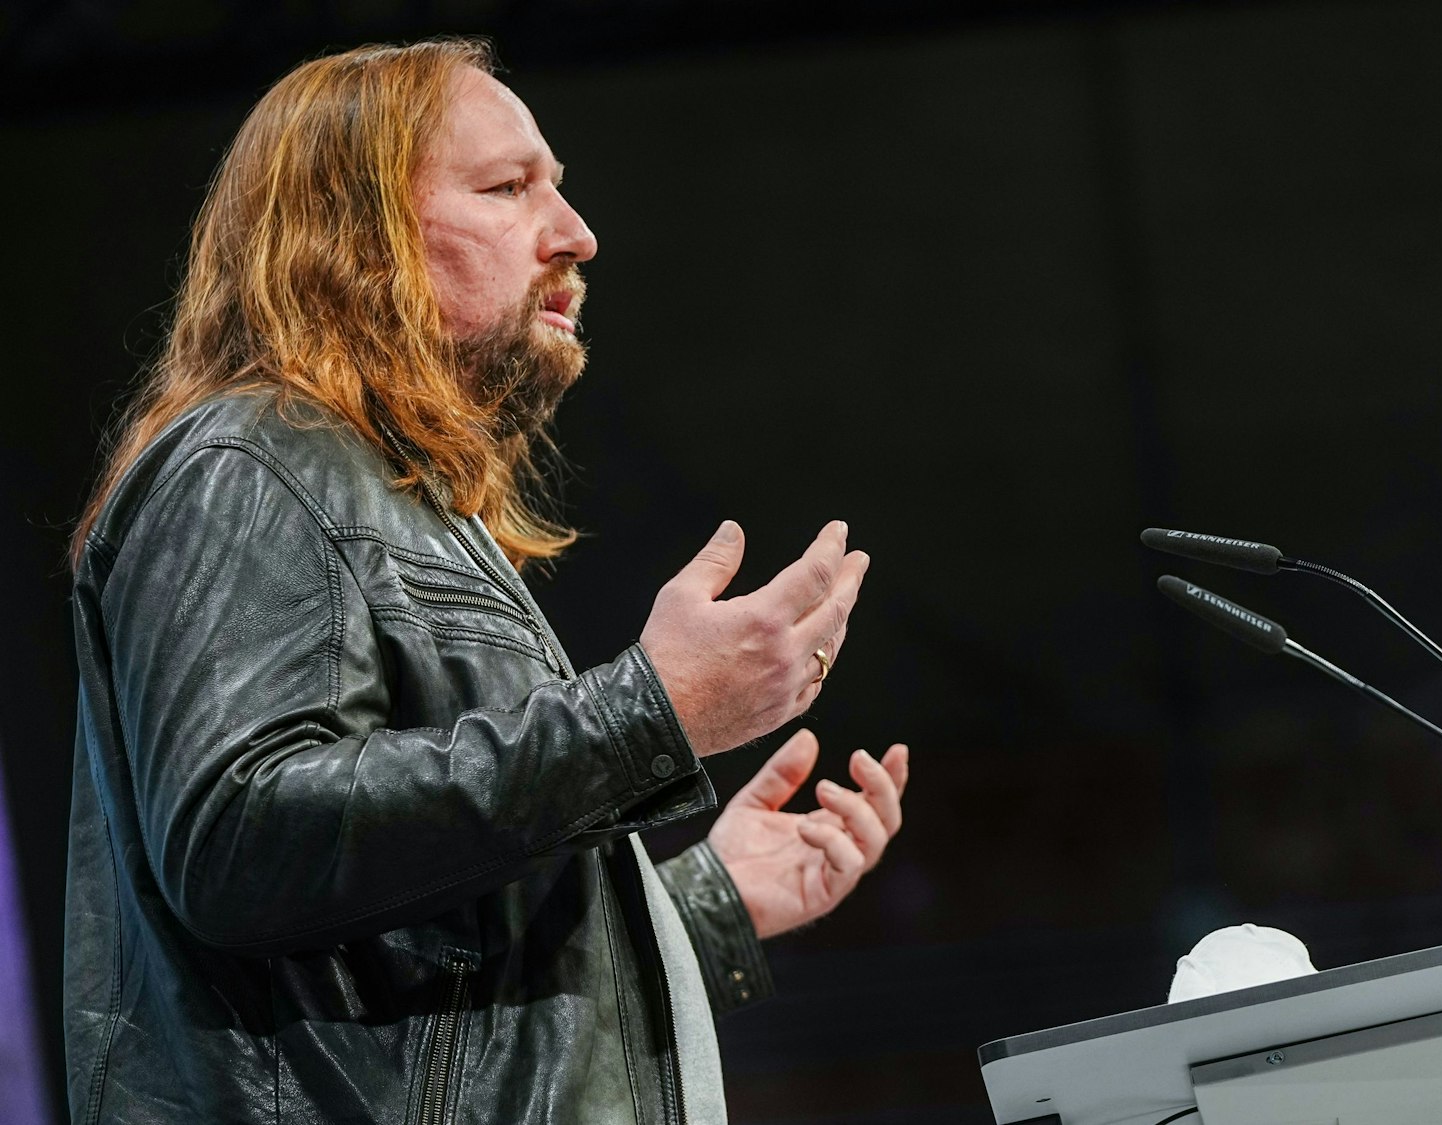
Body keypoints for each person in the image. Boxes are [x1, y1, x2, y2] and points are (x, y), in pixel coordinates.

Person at [63, 37, 908, 1125]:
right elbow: (239, 840)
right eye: (510, 188)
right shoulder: (251, 457)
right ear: (353, 238)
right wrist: (649, 714)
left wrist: (699, 905)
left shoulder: (394, 498)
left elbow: (426, 968)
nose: (576, 235)